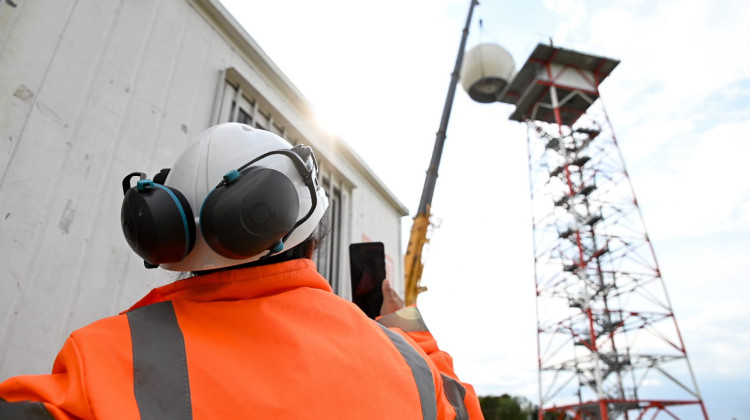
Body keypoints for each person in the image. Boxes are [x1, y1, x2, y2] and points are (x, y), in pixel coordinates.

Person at [0, 123, 483, 419]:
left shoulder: (106, 358)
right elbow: (458, 405)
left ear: (169, 231)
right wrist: (404, 327)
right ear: (305, 232)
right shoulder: (411, 368)